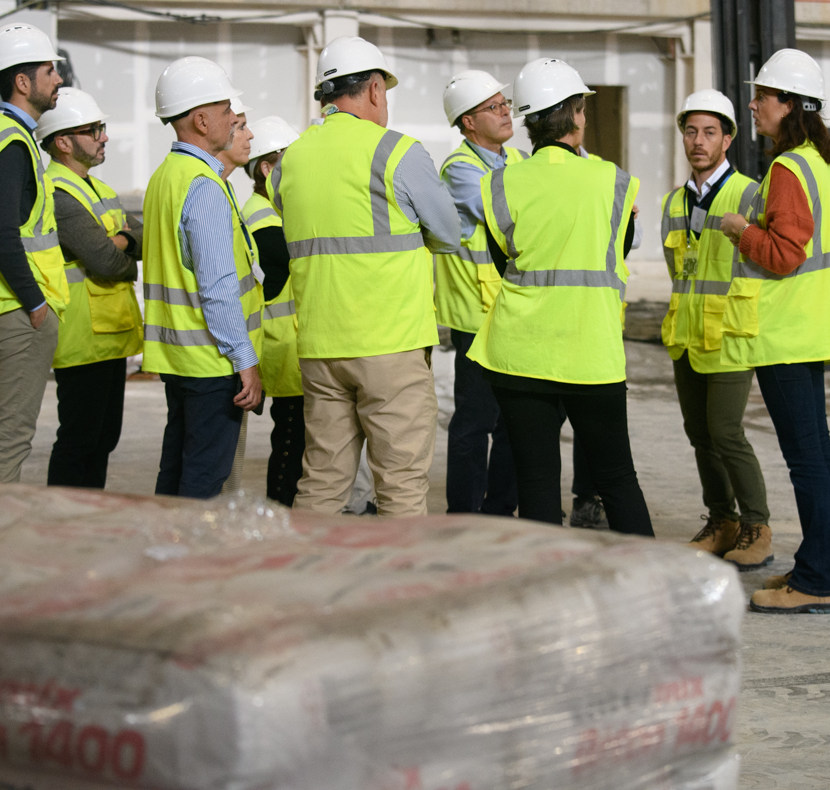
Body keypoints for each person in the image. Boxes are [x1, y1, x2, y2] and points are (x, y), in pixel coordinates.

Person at [267, 36, 460, 517]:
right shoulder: (398, 152)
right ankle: (394, 591)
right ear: (375, 90)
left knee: (323, 481)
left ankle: (311, 580)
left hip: (319, 347)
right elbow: (448, 234)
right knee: (401, 486)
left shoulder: (287, 161)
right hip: (389, 345)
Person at [468, 57, 654, 537]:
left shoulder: (501, 183)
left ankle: (543, 587)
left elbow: (500, 256)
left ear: (529, 122)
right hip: (591, 352)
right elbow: (620, 249)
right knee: (616, 478)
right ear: (575, 114)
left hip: (520, 351)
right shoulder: (613, 182)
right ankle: (657, 591)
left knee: (536, 481)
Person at [716, 48, 830, 613]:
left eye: (763, 96)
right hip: (808, 330)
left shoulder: (787, 168)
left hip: (790, 336)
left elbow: (784, 253)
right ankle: (813, 567)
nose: (753, 104)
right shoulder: (815, 162)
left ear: (790, 105)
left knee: (808, 461)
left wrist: (739, 229)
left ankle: (818, 581)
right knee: (815, 457)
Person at [142, 56, 263, 499]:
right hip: (211, 360)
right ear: (201, 119)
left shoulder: (165, 178)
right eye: (229, 113)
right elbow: (217, 289)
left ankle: (163, 559)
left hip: (178, 359)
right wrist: (244, 359)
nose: (234, 121)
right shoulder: (203, 185)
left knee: (175, 470)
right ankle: (187, 565)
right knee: (204, 480)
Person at [662, 90, 771, 568]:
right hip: (687, 335)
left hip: (730, 333)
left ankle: (756, 524)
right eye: (691, 131)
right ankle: (721, 520)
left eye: (710, 132)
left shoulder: (750, 193)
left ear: (728, 138)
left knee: (726, 432)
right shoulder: (673, 202)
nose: (698, 142)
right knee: (698, 433)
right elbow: (677, 269)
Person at [0, 23, 68, 484]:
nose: (58, 79)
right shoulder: (9, 143)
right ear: (22, 83)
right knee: (10, 437)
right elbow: (2, 235)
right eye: (50, 71)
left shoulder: (3, 135)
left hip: (11, 308)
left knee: (10, 433)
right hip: (17, 311)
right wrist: (36, 304)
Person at [36, 88, 142, 489]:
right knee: (79, 440)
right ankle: (63, 522)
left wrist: (123, 240)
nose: (104, 137)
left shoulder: (97, 189)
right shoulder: (59, 194)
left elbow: (142, 235)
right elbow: (104, 260)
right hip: (83, 338)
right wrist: (122, 245)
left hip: (110, 333)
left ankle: (88, 517)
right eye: (94, 129)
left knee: (103, 440)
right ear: (63, 142)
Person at [437, 70, 523, 516]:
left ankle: (500, 511)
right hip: (476, 318)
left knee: (513, 423)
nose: (507, 111)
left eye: (505, 103)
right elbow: (508, 214)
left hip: (516, 313)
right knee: (474, 423)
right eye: (494, 107)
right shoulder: (460, 171)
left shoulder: (520, 162)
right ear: (468, 122)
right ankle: (464, 517)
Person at [240, 115, 303, 508]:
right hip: (284, 347)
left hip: (294, 345)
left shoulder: (277, 213)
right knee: (290, 444)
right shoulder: (263, 220)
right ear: (267, 168)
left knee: (296, 440)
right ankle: (281, 512)